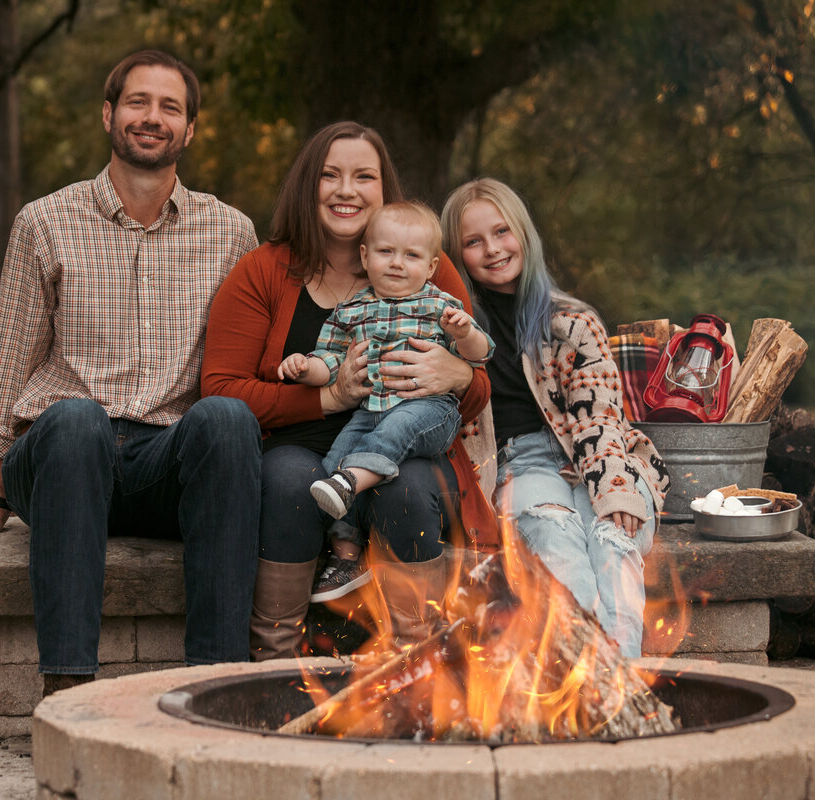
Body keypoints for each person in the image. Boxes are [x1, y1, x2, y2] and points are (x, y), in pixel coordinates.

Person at [0, 50, 262, 694]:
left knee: (229, 418)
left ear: (190, 129)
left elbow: (243, 363)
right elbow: (13, 355)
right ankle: (67, 689)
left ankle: (217, 683)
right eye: (137, 102)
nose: (152, 118)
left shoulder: (231, 231)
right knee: (75, 419)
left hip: (163, 464)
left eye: (170, 108)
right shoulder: (46, 221)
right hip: (60, 455)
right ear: (108, 114)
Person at [202, 122, 498, 660]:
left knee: (406, 485)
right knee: (290, 478)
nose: (346, 190)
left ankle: (419, 665)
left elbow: (477, 381)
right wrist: (327, 397)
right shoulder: (264, 270)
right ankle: (277, 663)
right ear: (306, 186)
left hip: (410, 440)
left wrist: (457, 376)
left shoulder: (427, 266)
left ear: (385, 189)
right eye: (330, 175)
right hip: (301, 443)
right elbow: (221, 389)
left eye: (364, 176)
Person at [439, 178, 670, 658]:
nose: (493, 249)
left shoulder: (572, 322)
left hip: (597, 457)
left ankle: (619, 681)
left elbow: (600, 416)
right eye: (473, 241)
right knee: (555, 537)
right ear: (456, 254)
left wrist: (612, 488)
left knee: (612, 538)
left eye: (502, 231)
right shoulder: (453, 330)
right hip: (521, 464)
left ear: (523, 233)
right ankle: (592, 678)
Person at [277, 202, 493, 598]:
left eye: (411, 256)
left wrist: (463, 334)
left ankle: (355, 478)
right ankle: (346, 556)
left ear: (430, 267)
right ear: (365, 256)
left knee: (393, 432)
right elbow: (330, 359)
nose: (397, 263)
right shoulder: (352, 310)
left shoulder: (440, 305)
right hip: (369, 411)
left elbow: (481, 355)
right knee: (332, 466)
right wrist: (306, 368)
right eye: (385, 252)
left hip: (430, 411)